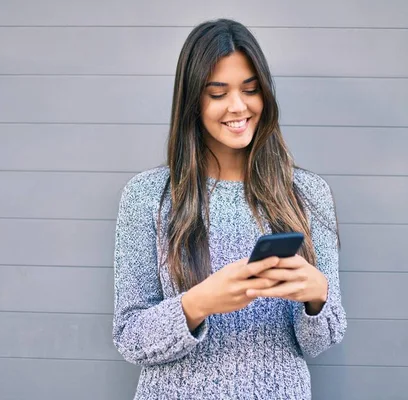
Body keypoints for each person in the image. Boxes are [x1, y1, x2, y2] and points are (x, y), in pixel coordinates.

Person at [112, 18, 346, 399]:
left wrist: (317, 297)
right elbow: (129, 336)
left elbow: (320, 341)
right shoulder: (147, 196)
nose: (238, 106)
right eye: (217, 93)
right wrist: (198, 303)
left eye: (250, 89)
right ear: (192, 100)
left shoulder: (307, 193)